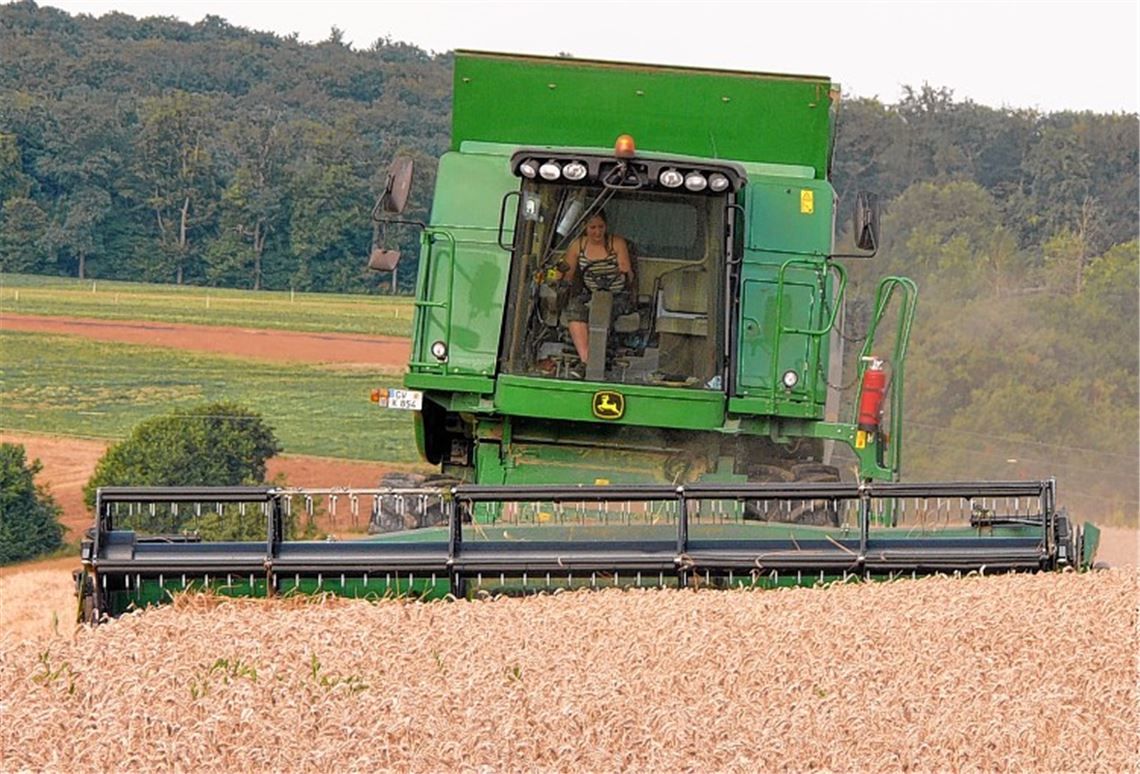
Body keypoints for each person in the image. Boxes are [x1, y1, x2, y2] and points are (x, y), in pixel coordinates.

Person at [561, 210, 634, 369]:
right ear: (584, 227)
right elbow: (567, 274)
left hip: (617, 295)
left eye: (601, 227)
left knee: (602, 311)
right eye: (592, 227)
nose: (597, 232)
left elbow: (625, 271)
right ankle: (587, 360)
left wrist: (621, 274)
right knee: (575, 309)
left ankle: (600, 358)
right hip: (590, 294)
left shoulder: (617, 243)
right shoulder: (577, 245)